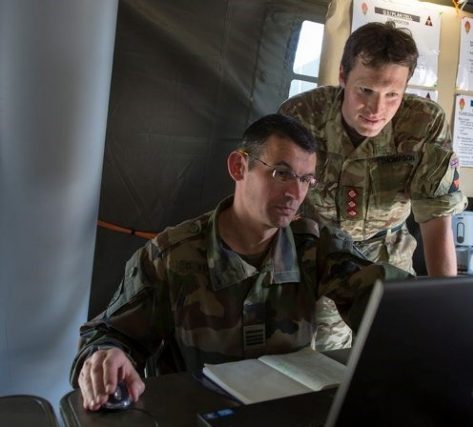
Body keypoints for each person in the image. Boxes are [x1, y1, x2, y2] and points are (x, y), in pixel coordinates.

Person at [70, 114, 408, 411]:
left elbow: (390, 300)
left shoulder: (314, 246)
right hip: (194, 415)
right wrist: (105, 356)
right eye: (281, 173)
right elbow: (106, 334)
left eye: (306, 180)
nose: (295, 193)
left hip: (285, 414)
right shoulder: (173, 254)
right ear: (238, 166)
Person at [279, 22, 468, 350]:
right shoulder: (302, 116)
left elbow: (436, 219)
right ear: (342, 76)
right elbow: (274, 201)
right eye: (364, 90)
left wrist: (446, 308)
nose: (377, 110)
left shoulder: (423, 123)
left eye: (392, 95)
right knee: (324, 366)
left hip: (388, 261)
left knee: (393, 358)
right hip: (319, 260)